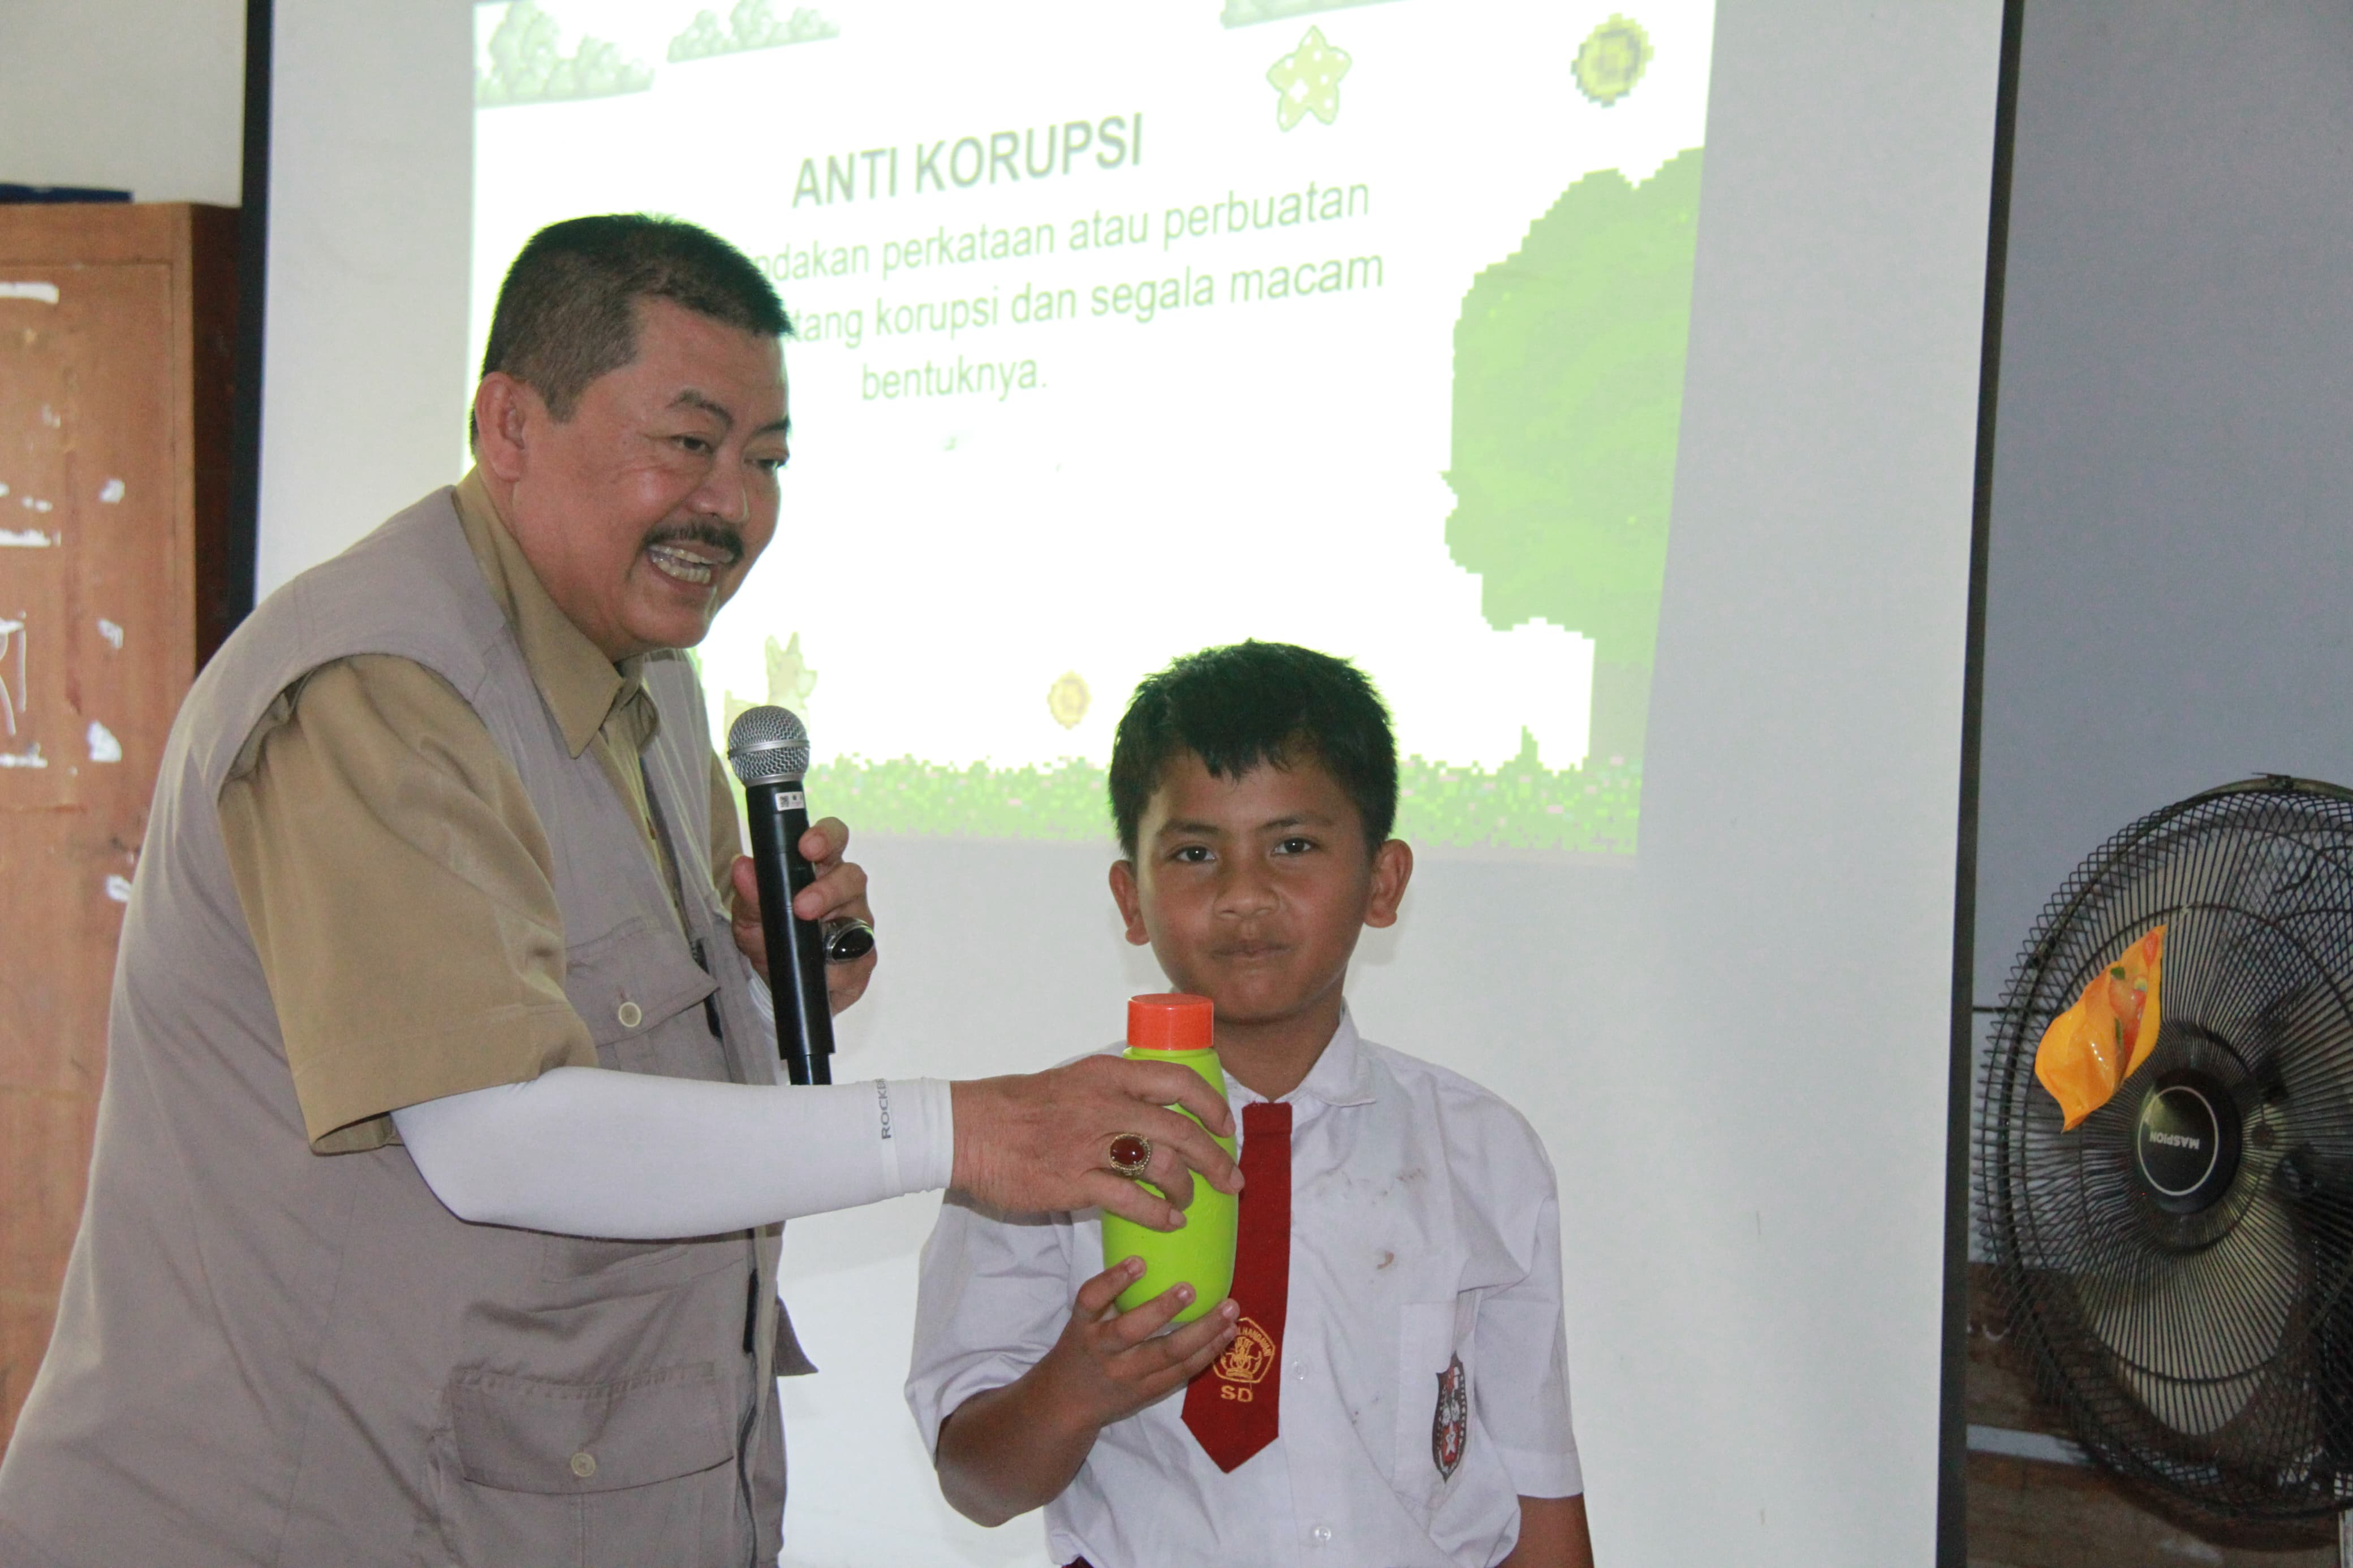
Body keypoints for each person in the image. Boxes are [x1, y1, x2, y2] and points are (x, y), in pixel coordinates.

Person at [0, 215, 1240, 1568]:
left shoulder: (645, 675)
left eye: (765, 459)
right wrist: (969, 1130)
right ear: (509, 425)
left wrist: (761, 979)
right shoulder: (379, 685)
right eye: (688, 442)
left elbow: (626, 1058)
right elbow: (496, 1135)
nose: (733, 506)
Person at [907, 641, 1595, 1567]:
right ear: (1131, 898)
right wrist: (1076, 1386)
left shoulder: (1483, 1150)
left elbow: (1538, 1491)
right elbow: (976, 1481)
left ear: (1383, 881)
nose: (1243, 895)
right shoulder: (1038, 1148)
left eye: (1293, 846)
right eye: (1195, 853)